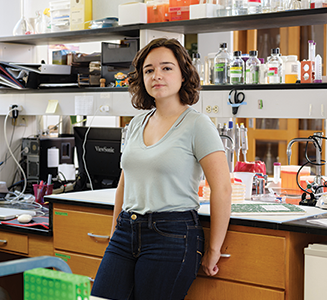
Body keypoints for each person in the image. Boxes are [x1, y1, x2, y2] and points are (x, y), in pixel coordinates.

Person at [91, 38, 232, 300]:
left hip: (172, 235)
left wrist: (214, 249)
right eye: (149, 70)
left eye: (166, 68)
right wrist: (114, 231)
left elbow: (222, 188)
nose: (157, 75)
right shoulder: (135, 124)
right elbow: (125, 182)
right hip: (126, 231)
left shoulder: (198, 125)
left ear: (183, 74)